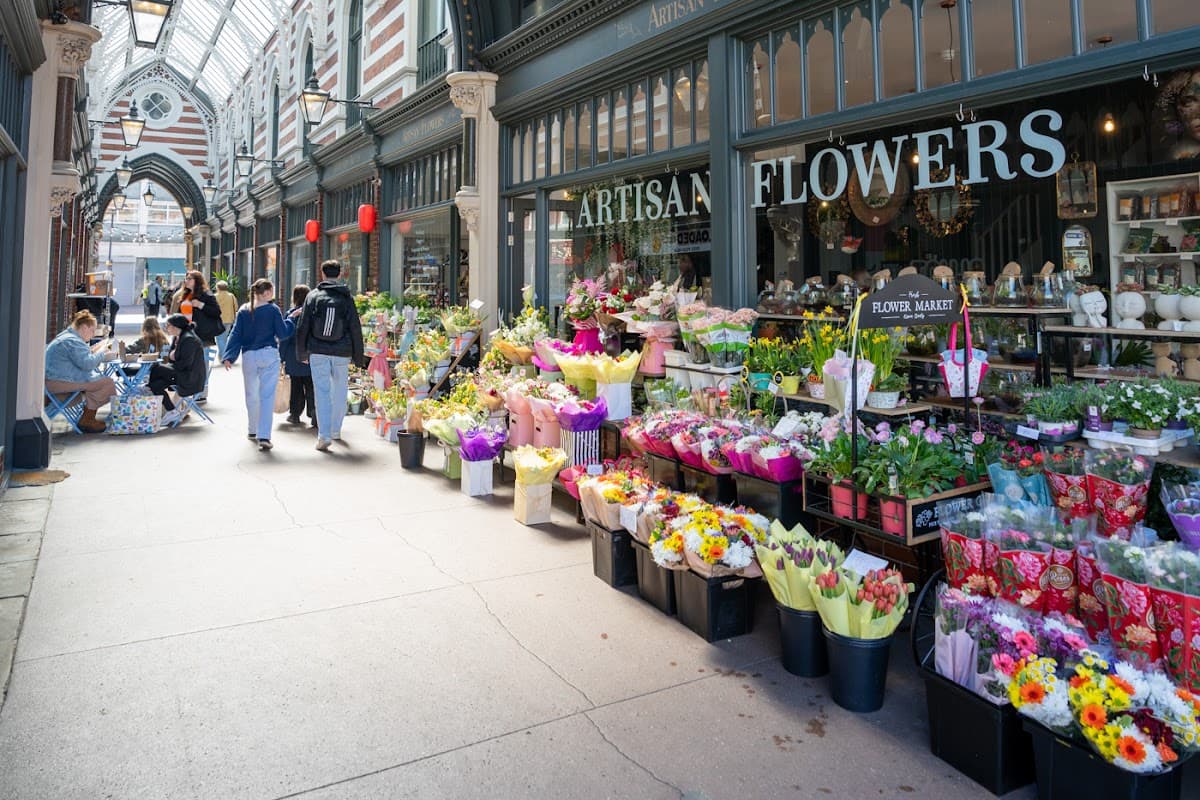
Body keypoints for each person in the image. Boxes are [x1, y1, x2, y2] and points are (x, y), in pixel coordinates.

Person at [296, 259, 364, 452]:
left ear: (322, 274)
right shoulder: (346, 297)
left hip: (318, 351)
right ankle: (336, 430)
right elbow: (354, 327)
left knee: (322, 392)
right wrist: (358, 357)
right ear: (339, 274)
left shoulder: (313, 296)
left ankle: (324, 435)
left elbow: (303, 326)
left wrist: (302, 352)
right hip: (342, 352)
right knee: (341, 391)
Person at [222, 278, 295, 451]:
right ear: (267, 293)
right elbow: (283, 333)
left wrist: (229, 356)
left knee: (251, 395)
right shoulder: (273, 310)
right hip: (269, 355)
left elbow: (235, 334)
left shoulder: (243, 310)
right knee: (267, 396)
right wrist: (291, 320)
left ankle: (252, 430)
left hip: (248, 356)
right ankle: (264, 436)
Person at [44, 310, 118, 433]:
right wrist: (102, 353)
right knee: (106, 382)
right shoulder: (72, 341)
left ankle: (88, 417)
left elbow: (81, 359)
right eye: (92, 330)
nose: (93, 334)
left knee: (99, 383)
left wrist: (92, 351)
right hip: (59, 382)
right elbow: (87, 364)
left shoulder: (67, 338)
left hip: (56, 381)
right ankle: (88, 419)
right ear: (84, 327)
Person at [150, 314, 207, 427]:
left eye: (168, 325)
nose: (166, 328)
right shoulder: (178, 337)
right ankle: (172, 411)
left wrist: (170, 362)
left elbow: (184, 364)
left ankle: (147, 387)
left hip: (190, 377)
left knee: (157, 368)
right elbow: (173, 360)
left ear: (176, 327)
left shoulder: (189, 339)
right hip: (182, 373)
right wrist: (171, 361)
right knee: (155, 385)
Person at [279, 284, 315, 427]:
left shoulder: (290, 315)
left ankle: (295, 414)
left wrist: (281, 357)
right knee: (312, 387)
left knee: (295, 387)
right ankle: (314, 413)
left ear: (294, 297)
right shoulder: (313, 314)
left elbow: (285, 337)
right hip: (310, 356)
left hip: (293, 356)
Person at [214, 279, 238, 359]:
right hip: (229, 319)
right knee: (224, 338)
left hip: (218, 320)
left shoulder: (215, 296)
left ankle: (224, 355)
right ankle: (223, 354)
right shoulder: (231, 296)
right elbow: (236, 307)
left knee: (220, 338)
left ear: (218, 288)